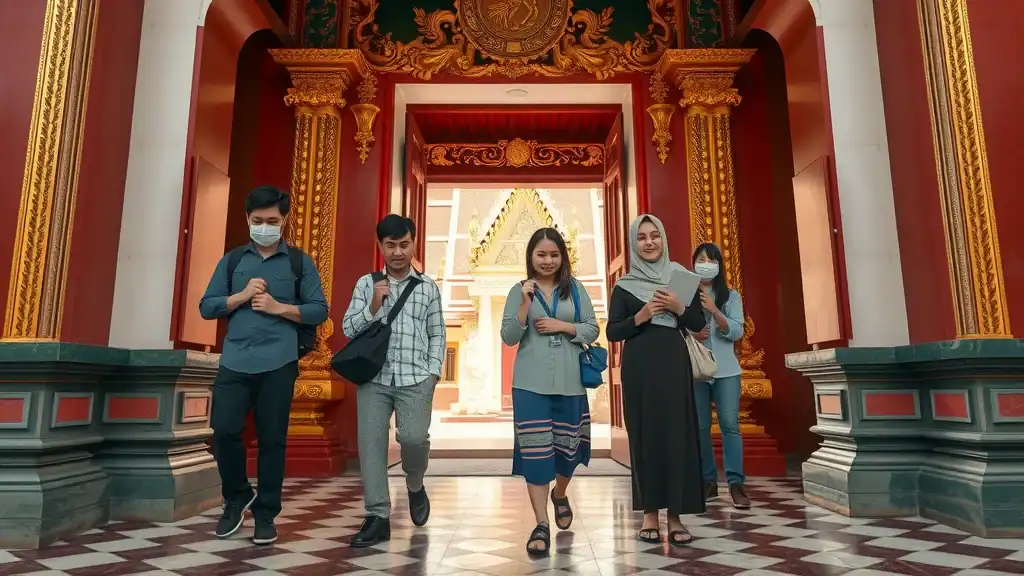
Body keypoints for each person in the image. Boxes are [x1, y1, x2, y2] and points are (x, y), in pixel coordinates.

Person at [200, 185, 329, 545]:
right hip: (236, 360)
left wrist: (279, 308)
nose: (265, 227)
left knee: (272, 440)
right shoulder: (232, 261)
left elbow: (319, 309)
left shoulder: (298, 262)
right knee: (224, 430)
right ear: (247, 219)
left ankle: (266, 513)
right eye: (258, 221)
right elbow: (206, 306)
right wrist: (239, 297)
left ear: (284, 220)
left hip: (279, 361)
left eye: (272, 221)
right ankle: (237, 495)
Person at [342, 214, 446, 547]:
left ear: (413, 243)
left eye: (404, 244)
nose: (398, 252)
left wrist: (433, 374)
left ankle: (415, 484)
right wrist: (374, 303)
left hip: (416, 378)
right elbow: (347, 329)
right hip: (374, 379)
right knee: (371, 447)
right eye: (391, 245)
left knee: (414, 439)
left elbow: (437, 333)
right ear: (381, 247)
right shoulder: (366, 284)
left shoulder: (427, 287)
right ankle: (377, 516)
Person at [605, 214, 707, 546]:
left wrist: (678, 306)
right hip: (639, 366)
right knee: (645, 435)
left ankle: (675, 516)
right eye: (642, 238)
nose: (649, 243)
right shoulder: (624, 286)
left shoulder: (681, 277)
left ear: (663, 239)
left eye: (655, 236)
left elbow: (696, 323)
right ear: (634, 244)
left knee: (676, 434)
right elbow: (613, 331)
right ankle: (650, 513)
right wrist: (641, 316)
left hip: (673, 363)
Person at [500, 228, 599, 556]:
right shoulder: (519, 291)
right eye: (541, 254)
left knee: (567, 452)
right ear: (530, 256)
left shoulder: (576, 289)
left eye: (553, 255)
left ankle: (560, 493)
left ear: (562, 256)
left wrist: (565, 326)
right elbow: (509, 337)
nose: (547, 261)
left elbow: (592, 327)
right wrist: (525, 305)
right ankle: (541, 523)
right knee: (536, 453)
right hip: (529, 385)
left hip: (570, 383)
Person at [691, 242, 750, 508]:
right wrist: (692, 333)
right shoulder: (685, 295)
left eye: (711, 260)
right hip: (696, 371)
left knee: (729, 425)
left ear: (718, 265)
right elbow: (674, 328)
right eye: (701, 259)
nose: (706, 263)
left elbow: (738, 331)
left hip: (727, 371)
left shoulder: (731, 297)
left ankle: (736, 484)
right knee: (701, 427)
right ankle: (708, 481)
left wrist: (715, 310)